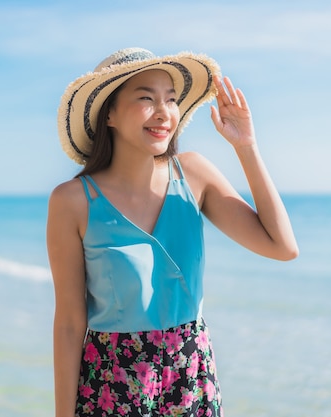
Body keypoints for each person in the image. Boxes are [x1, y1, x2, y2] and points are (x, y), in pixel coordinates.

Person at [46, 47, 298, 417]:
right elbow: (69, 323)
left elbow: (282, 246)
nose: (164, 112)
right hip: (111, 385)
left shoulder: (193, 175)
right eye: (146, 98)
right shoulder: (73, 200)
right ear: (110, 114)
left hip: (192, 377)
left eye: (171, 99)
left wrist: (246, 147)